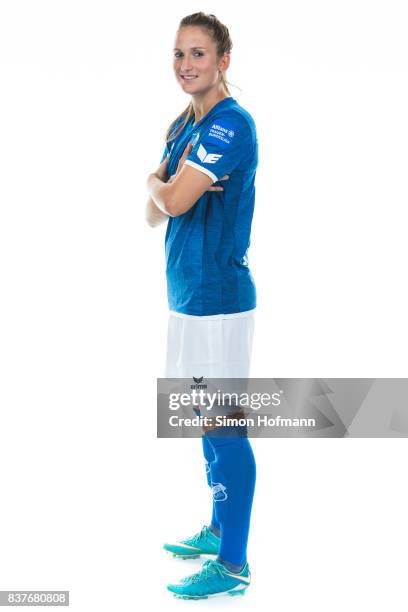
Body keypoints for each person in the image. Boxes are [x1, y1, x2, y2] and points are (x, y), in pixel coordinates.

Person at [146, 12, 258, 599]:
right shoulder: (180, 126)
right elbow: (157, 206)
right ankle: (218, 530)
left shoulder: (229, 126)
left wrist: (164, 188)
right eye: (179, 54)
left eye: (198, 54)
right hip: (186, 298)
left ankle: (234, 565)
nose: (187, 65)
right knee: (201, 420)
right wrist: (161, 187)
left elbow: (173, 196)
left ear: (222, 61)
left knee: (225, 426)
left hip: (219, 299)